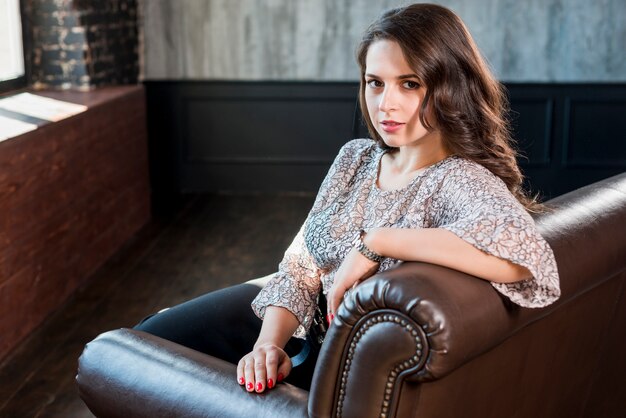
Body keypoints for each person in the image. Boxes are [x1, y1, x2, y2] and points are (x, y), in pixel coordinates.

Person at [134, 3, 560, 395]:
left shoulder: (458, 178)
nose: (385, 104)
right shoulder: (355, 157)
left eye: (409, 84)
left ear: (449, 86)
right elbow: (300, 268)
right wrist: (268, 345)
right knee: (144, 341)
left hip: (342, 362)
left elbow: (527, 257)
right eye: (375, 83)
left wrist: (379, 241)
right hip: (292, 325)